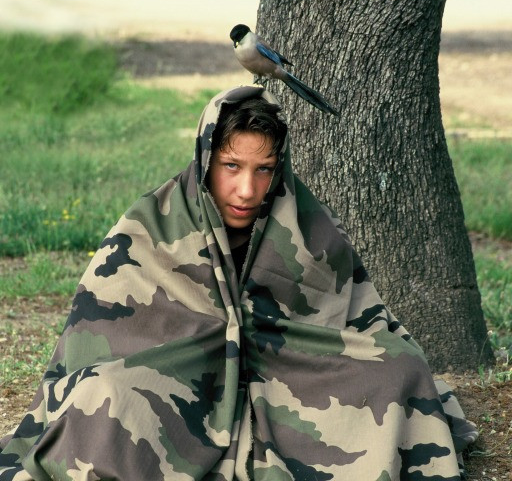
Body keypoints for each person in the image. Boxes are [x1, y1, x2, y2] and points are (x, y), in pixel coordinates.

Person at [0, 86, 475, 480]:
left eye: (263, 170)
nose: (247, 190)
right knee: (102, 394)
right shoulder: (151, 223)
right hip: (180, 382)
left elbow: (353, 318)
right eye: (231, 167)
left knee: (402, 368)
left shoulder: (307, 223)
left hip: (290, 376)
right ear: (206, 159)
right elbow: (99, 338)